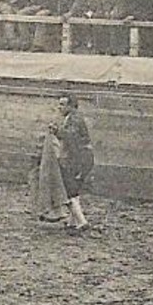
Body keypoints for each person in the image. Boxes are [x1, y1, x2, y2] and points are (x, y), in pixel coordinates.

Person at [53, 95, 94, 235]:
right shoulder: (73, 117)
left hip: (78, 158)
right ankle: (72, 221)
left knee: (70, 190)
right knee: (73, 189)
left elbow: (71, 137)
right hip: (82, 156)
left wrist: (56, 131)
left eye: (62, 104)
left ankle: (82, 221)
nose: (59, 107)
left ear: (71, 106)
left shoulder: (74, 119)